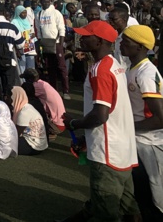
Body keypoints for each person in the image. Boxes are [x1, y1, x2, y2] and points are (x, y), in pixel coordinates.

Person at [61, 20, 139, 222]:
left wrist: (74, 123)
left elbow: (100, 114)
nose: (82, 38)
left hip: (107, 152)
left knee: (106, 211)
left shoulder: (100, 70)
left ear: (100, 41)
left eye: (87, 35)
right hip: (122, 148)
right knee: (128, 206)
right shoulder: (116, 65)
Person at [120, 24, 163, 218]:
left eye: (126, 41)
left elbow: (160, 118)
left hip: (148, 143)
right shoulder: (133, 68)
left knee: (151, 197)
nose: (121, 43)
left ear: (140, 47)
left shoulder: (145, 74)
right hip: (138, 140)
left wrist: (128, 127)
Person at [37, 0, 70, 99]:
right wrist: (40, 43)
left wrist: (61, 44)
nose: (45, 3)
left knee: (61, 67)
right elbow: (38, 30)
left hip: (56, 43)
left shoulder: (56, 13)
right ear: (40, 2)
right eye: (43, 2)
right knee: (50, 68)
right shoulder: (38, 14)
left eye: (47, 2)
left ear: (50, 2)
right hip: (46, 44)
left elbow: (61, 29)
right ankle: (54, 90)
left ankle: (66, 91)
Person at [21, 68, 66, 138]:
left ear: (29, 79)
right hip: (61, 123)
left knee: (29, 105)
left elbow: (22, 96)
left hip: (56, 125)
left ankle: (45, 132)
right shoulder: (43, 83)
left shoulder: (36, 86)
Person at [10, 86, 48, 155]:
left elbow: (16, 134)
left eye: (10, 96)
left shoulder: (24, 112)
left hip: (33, 146)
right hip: (38, 143)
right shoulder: (25, 107)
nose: (7, 99)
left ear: (16, 96)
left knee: (3, 143)